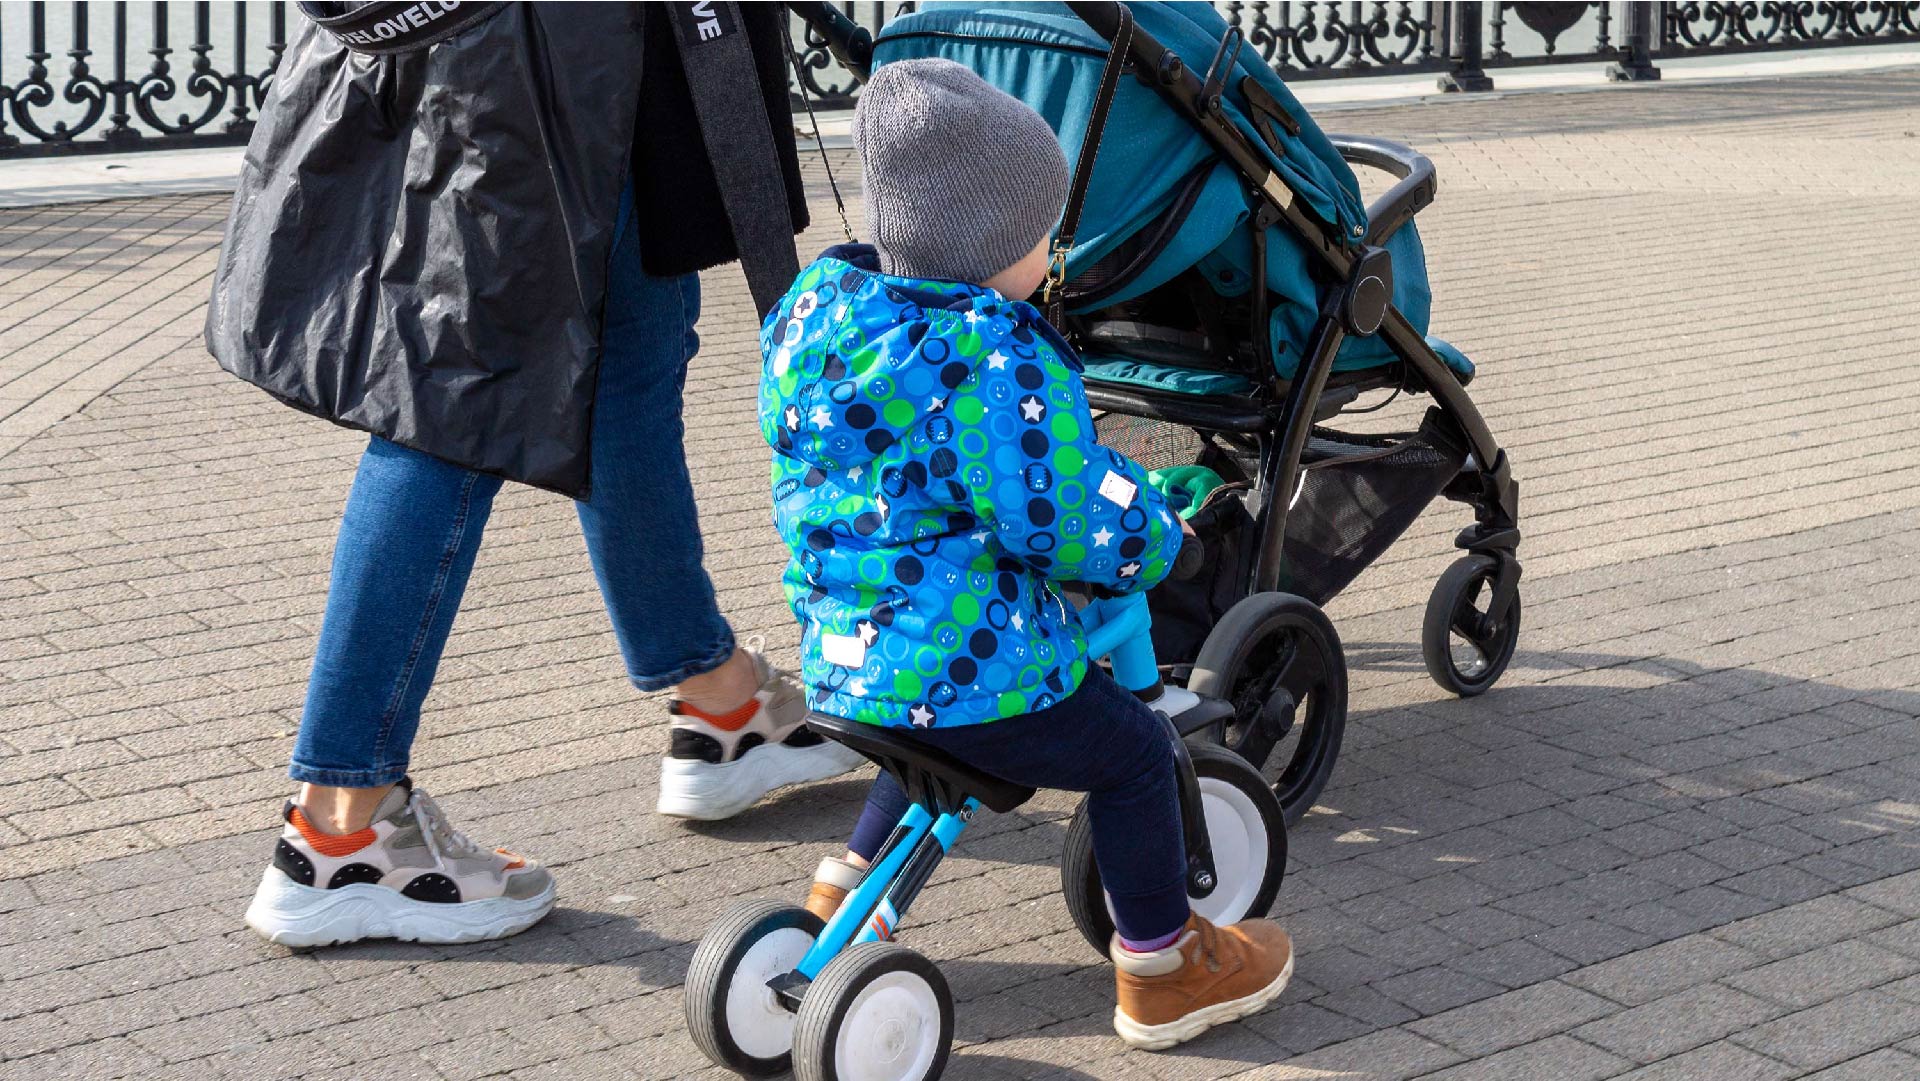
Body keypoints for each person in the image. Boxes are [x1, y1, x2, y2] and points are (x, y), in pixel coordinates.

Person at [212, 4, 859, 949]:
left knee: (629, 355)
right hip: (557, 51)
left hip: (558, 51)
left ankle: (721, 703)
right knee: (454, 402)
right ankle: (338, 822)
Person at [760, 58, 1295, 1052]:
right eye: (1037, 236)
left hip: (849, 658)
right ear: (983, 247)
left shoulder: (825, 326)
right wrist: (1157, 539)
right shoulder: (991, 354)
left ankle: (838, 897)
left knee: (928, 740)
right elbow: (1058, 514)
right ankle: (1164, 966)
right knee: (1135, 756)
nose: (1048, 258)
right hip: (982, 670)